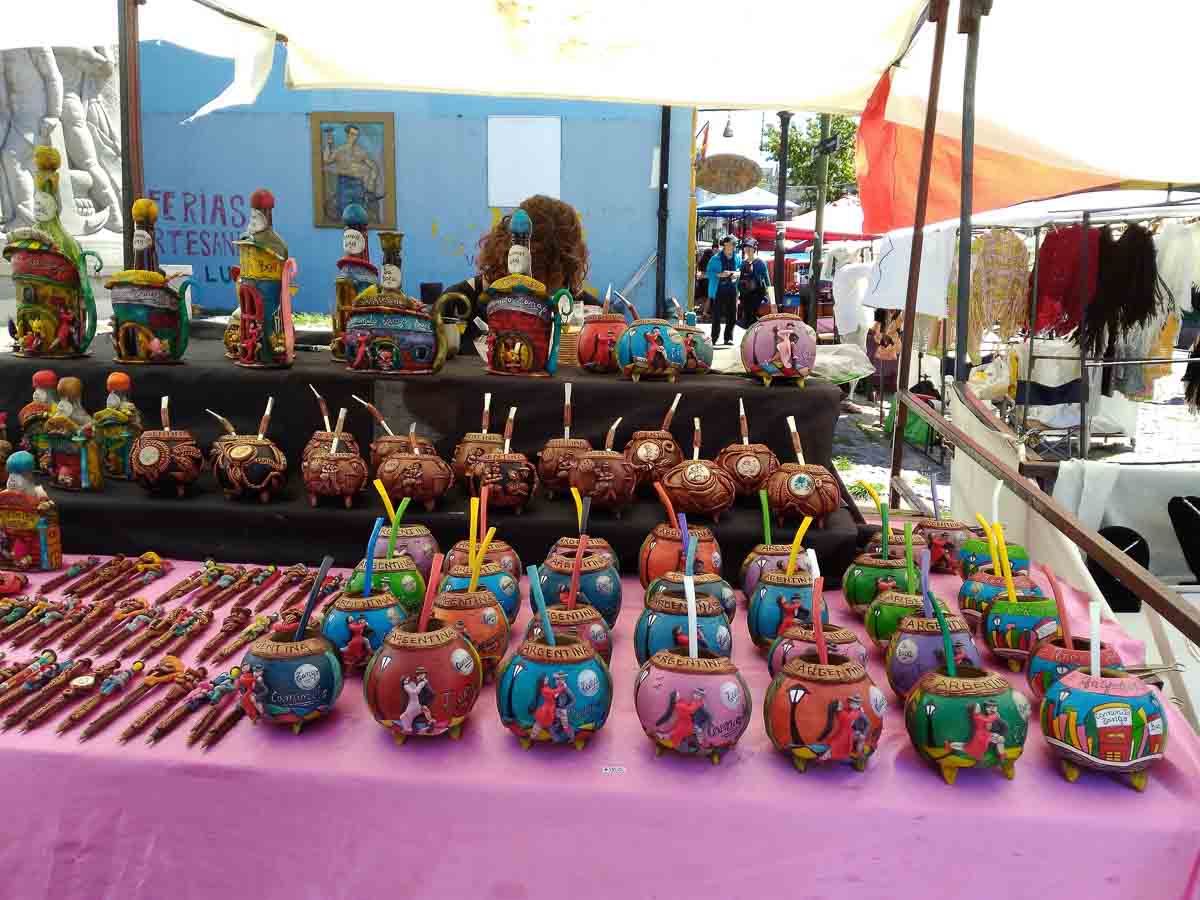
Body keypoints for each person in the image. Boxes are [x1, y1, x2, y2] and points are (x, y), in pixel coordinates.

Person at [705, 235, 740, 346]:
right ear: (725, 245)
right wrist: (719, 274)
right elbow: (708, 273)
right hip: (718, 290)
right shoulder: (715, 258)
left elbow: (740, 271)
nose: (732, 247)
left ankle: (728, 338)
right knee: (716, 316)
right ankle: (714, 338)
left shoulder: (737, 258)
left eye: (734, 245)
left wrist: (736, 274)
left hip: (732, 289)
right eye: (730, 244)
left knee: (732, 315)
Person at [737, 238, 771, 326]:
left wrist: (771, 298)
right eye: (745, 247)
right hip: (745, 296)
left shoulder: (761, 263)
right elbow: (739, 279)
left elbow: (767, 281)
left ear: (754, 249)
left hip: (757, 295)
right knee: (747, 320)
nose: (747, 249)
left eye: (750, 247)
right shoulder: (743, 263)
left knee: (753, 319)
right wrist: (737, 294)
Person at [696, 239, 718, 318]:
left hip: (702, 281)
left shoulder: (703, 259)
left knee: (704, 297)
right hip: (708, 281)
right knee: (708, 297)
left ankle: (702, 310)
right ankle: (705, 312)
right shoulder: (712, 259)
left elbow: (700, 269)